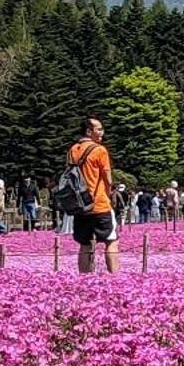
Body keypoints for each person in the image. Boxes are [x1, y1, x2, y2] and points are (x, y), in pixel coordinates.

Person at [68, 117, 119, 274]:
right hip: (100, 203)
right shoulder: (99, 150)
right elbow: (108, 178)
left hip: (80, 205)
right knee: (111, 241)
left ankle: (85, 278)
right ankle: (115, 277)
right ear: (89, 131)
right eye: (99, 129)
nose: (102, 132)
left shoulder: (73, 150)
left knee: (85, 243)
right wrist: (111, 194)